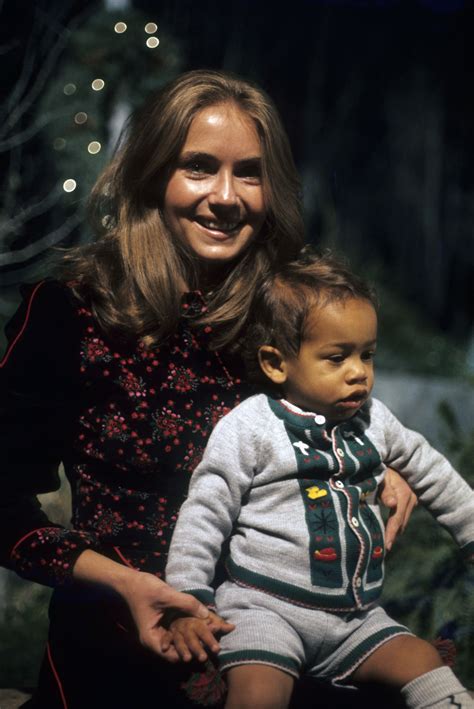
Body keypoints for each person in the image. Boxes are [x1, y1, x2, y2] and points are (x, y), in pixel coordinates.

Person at [0, 71, 415, 708]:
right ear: (152, 175)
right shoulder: (71, 312)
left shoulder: (288, 315)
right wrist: (123, 583)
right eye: (198, 167)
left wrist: (375, 463)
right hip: (116, 657)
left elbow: (337, 414)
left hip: (281, 648)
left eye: (248, 173)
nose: (225, 197)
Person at [165, 250, 474, 708]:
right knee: (258, 692)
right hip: (264, 609)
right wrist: (187, 602)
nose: (359, 373)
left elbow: (432, 472)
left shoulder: (376, 421)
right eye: (337, 358)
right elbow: (205, 513)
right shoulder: (249, 427)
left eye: (367, 355)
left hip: (356, 619)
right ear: (276, 363)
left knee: (423, 660)